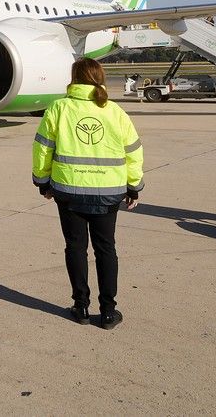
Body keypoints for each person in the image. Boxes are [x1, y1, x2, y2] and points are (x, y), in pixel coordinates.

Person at [33, 58, 143, 329]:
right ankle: (108, 311)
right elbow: (133, 151)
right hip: (108, 193)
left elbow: (43, 149)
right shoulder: (114, 111)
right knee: (106, 248)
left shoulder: (59, 108)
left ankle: (81, 306)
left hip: (69, 191)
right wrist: (134, 186)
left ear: (74, 78)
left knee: (75, 247)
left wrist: (42, 181)